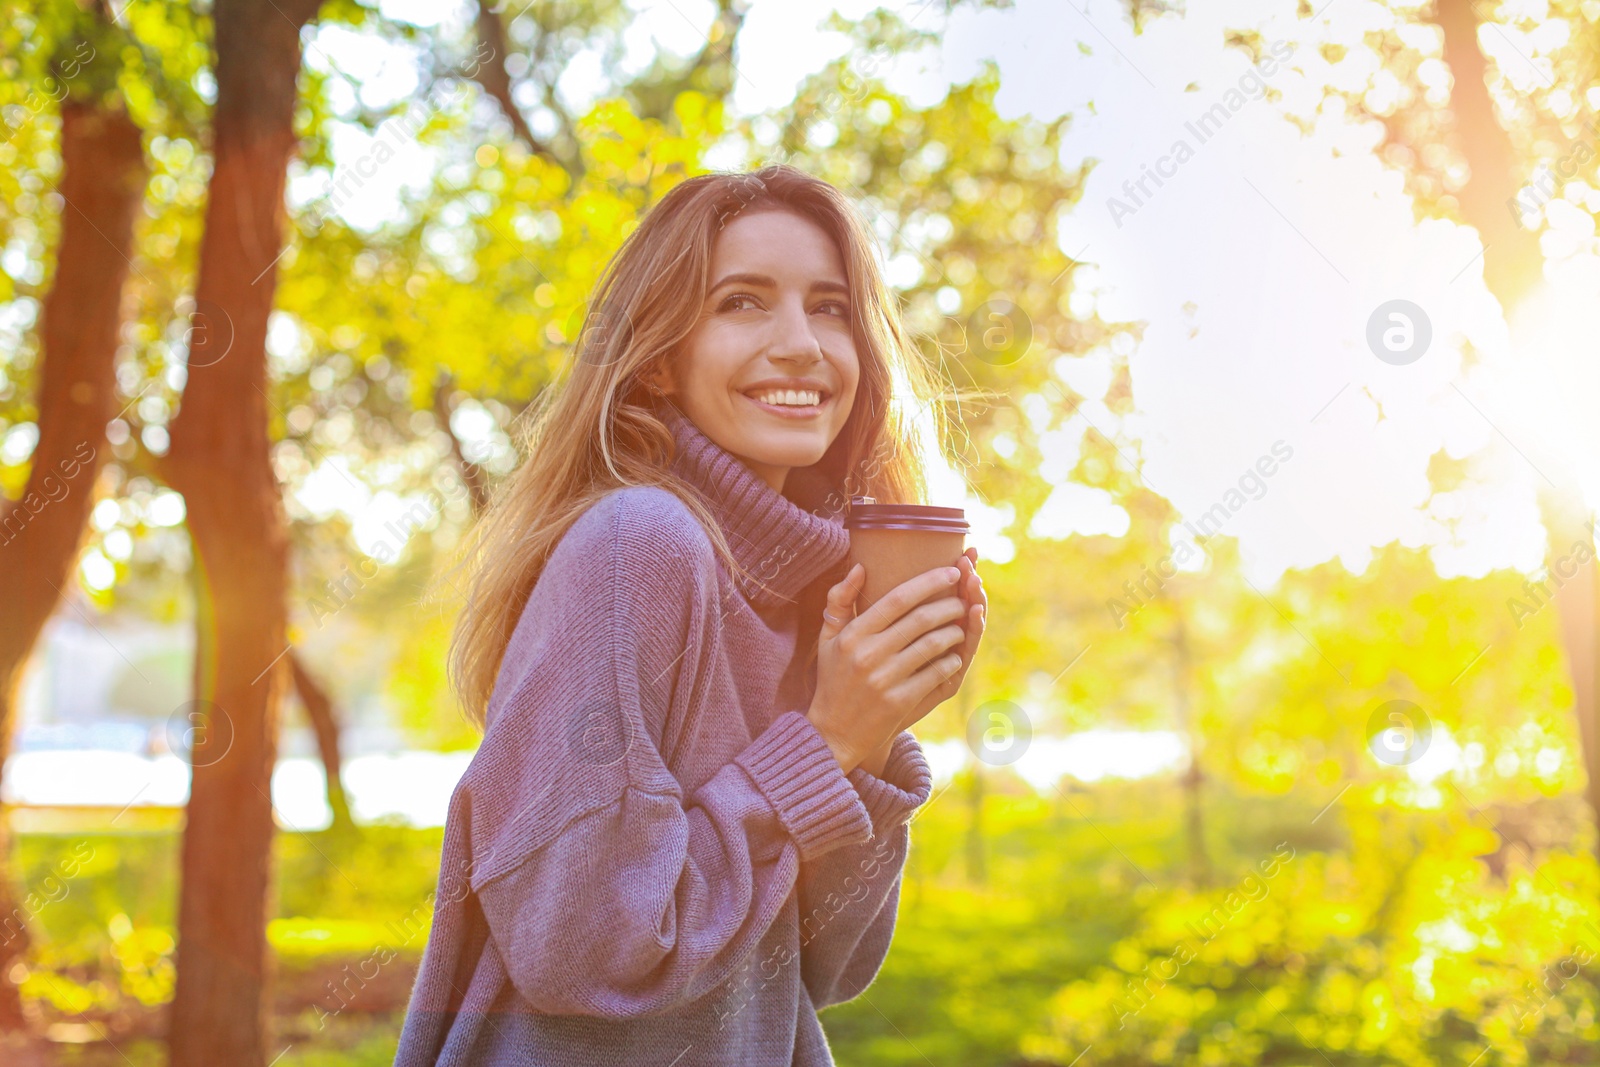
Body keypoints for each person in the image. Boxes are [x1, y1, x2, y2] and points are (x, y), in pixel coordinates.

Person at [393, 162, 988, 1065]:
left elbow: (824, 965)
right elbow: (583, 948)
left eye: (830, 308)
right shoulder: (642, 542)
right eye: (744, 302)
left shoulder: (804, 594)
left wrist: (870, 732)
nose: (802, 345)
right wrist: (825, 742)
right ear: (661, 358)